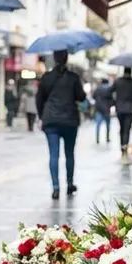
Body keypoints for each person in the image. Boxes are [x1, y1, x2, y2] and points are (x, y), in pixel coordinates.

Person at [36, 50, 85, 199]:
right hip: (70, 120)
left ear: (54, 58)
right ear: (67, 58)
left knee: (54, 155)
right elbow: (81, 97)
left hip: (51, 120)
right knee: (69, 154)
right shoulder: (73, 78)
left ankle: (56, 187)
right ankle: (70, 184)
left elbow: (39, 99)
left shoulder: (46, 77)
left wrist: (42, 116)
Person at [111, 67, 132, 154]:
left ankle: (122, 146)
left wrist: (114, 102)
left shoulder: (117, 81)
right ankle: (125, 146)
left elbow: (110, 91)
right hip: (130, 109)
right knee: (127, 129)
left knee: (122, 128)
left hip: (119, 108)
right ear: (130, 73)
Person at [92, 77, 113, 144]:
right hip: (107, 109)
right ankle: (107, 138)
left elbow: (93, 97)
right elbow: (112, 99)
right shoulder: (109, 89)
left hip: (99, 109)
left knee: (98, 125)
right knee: (108, 124)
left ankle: (97, 139)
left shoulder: (98, 88)